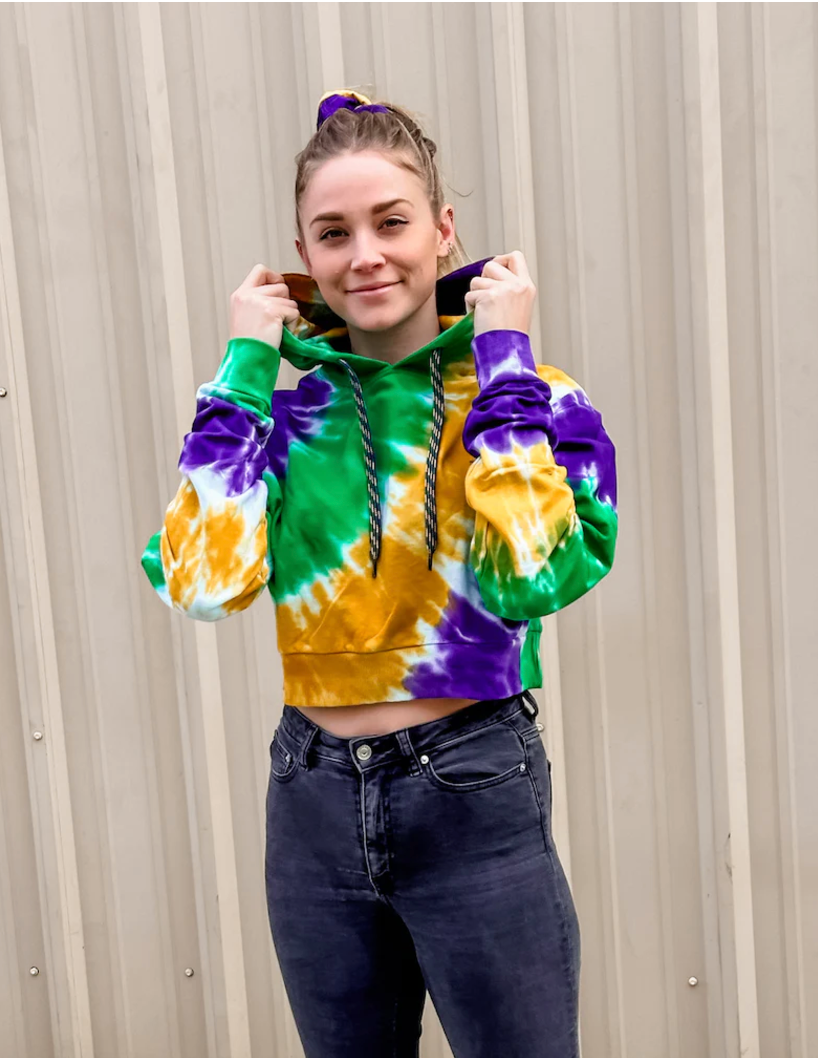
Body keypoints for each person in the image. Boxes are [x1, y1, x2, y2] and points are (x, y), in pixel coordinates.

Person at [141, 88, 617, 1058]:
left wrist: (504, 356)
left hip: (472, 782)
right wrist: (244, 366)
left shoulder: (531, 397)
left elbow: (530, 577)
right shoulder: (280, 420)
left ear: (442, 230)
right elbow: (202, 586)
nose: (364, 254)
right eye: (333, 232)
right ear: (303, 256)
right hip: (310, 796)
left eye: (391, 222)